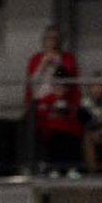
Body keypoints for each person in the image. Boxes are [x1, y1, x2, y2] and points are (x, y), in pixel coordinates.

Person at [25, 26, 81, 175]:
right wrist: (43, 63)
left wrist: (56, 62)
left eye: (56, 39)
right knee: (31, 124)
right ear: (44, 41)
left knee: (66, 127)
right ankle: (39, 166)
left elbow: (68, 80)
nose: (52, 42)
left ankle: (68, 166)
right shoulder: (35, 59)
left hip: (62, 101)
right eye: (49, 38)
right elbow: (31, 84)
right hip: (40, 103)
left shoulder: (67, 58)